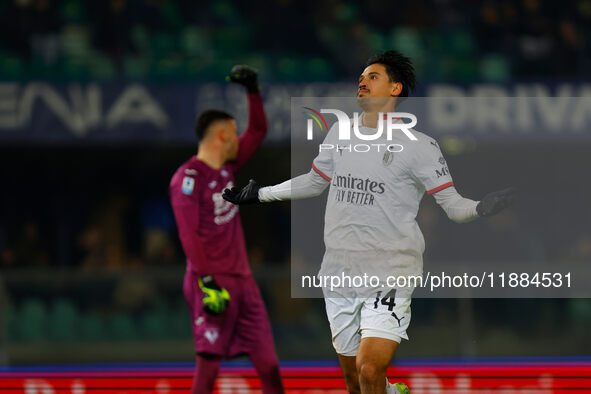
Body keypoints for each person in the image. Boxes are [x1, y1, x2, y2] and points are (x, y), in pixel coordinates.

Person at [222, 51, 515, 394]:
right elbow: (315, 181)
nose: (362, 81)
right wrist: (261, 194)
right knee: (354, 381)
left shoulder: (421, 147)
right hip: (339, 270)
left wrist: (481, 207)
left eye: (373, 77)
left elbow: (453, 206)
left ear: (395, 88)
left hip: (391, 270)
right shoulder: (339, 132)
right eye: (361, 77)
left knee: (369, 366)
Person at [169, 65, 284, 394]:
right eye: (234, 132)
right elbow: (188, 235)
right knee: (208, 366)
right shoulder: (188, 178)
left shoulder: (227, 169)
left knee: (269, 366)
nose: (240, 139)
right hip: (210, 280)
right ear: (222, 135)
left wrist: (253, 91)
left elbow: (259, 130)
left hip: (244, 282)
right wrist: (206, 282)